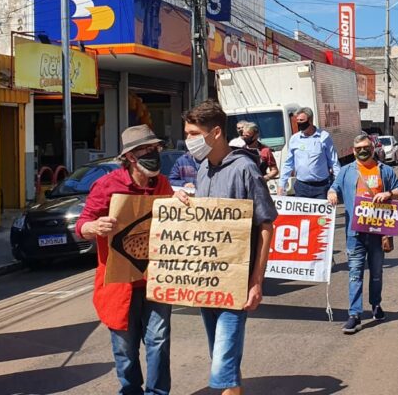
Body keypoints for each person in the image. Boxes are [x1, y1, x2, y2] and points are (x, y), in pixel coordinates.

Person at [176, 100, 277, 395]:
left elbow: (266, 225)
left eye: (194, 133)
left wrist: (256, 282)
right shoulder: (203, 168)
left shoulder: (245, 169)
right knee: (221, 354)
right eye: (187, 133)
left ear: (216, 132)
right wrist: (186, 202)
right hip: (207, 282)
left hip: (237, 280)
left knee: (222, 359)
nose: (189, 140)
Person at [76, 125, 174, 395]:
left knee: (159, 340)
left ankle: (157, 393)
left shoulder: (162, 185)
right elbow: (82, 225)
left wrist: (183, 201)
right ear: (131, 156)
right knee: (125, 349)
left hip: (156, 280)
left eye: (156, 148)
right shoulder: (107, 186)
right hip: (119, 284)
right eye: (147, 149)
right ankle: (131, 391)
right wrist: (94, 227)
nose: (154, 153)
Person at [327, 133, 398, 334]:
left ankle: (376, 305)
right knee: (355, 274)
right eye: (359, 148)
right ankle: (354, 314)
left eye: (366, 148)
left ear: (373, 149)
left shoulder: (385, 171)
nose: (363, 151)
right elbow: (333, 188)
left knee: (376, 272)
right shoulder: (346, 171)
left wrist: (388, 194)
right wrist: (332, 193)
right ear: (353, 151)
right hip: (355, 233)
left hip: (379, 232)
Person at [277, 107, 340, 199]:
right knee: (301, 214)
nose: (299, 123)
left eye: (302, 120)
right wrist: (281, 184)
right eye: (297, 121)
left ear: (310, 120)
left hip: (321, 188)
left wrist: (335, 187)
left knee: (321, 214)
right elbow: (288, 164)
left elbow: (334, 163)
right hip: (301, 187)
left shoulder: (324, 137)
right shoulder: (294, 139)